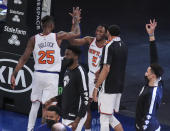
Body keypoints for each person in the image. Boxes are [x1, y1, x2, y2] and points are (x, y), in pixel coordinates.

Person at [10, 7, 81, 131]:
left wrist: (14, 74)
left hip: (38, 75)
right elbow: (76, 33)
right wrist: (76, 19)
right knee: (50, 107)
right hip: (51, 76)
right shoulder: (58, 36)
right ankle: (47, 128)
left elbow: (23, 58)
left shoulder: (33, 39)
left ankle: (30, 129)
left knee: (35, 104)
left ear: (42, 25)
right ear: (52, 25)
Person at [69, 24, 108, 131]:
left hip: (101, 78)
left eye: (101, 31)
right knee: (86, 107)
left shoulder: (108, 46)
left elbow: (111, 64)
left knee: (92, 108)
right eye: (97, 30)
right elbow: (72, 41)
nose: (98, 33)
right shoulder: (90, 40)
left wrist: (100, 73)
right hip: (90, 76)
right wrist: (75, 23)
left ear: (106, 33)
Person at [93, 25, 128, 131]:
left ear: (108, 33)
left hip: (109, 87)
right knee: (109, 115)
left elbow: (106, 68)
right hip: (119, 86)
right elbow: (116, 65)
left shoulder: (109, 46)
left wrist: (96, 88)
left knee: (104, 118)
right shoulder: (124, 45)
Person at [135, 20, 164, 131]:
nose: (145, 73)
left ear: (152, 75)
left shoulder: (153, 93)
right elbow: (154, 59)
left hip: (148, 128)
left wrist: (141, 128)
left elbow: (149, 116)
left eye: (147, 72)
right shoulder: (155, 80)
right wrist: (151, 35)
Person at [61, 45, 89, 131]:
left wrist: (77, 120)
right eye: (65, 54)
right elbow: (65, 91)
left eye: (68, 55)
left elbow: (85, 98)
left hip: (75, 116)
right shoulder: (67, 69)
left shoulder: (80, 73)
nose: (65, 57)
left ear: (76, 56)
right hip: (65, 114)